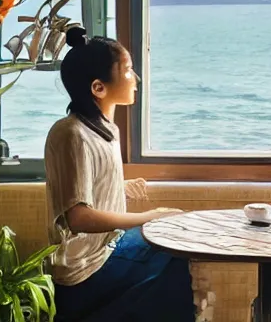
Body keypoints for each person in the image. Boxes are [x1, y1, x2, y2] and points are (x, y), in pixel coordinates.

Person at [44, 27, 195, 322]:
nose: (135, 78)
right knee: (173, 251)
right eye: (127, 70)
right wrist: (149, 216)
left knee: (175, 237)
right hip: (84, 267)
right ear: (98, 88)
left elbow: (86, 184)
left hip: (108, 248)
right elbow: (79, 218)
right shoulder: (71, 134)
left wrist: (119, 186)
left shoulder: (106, 129)